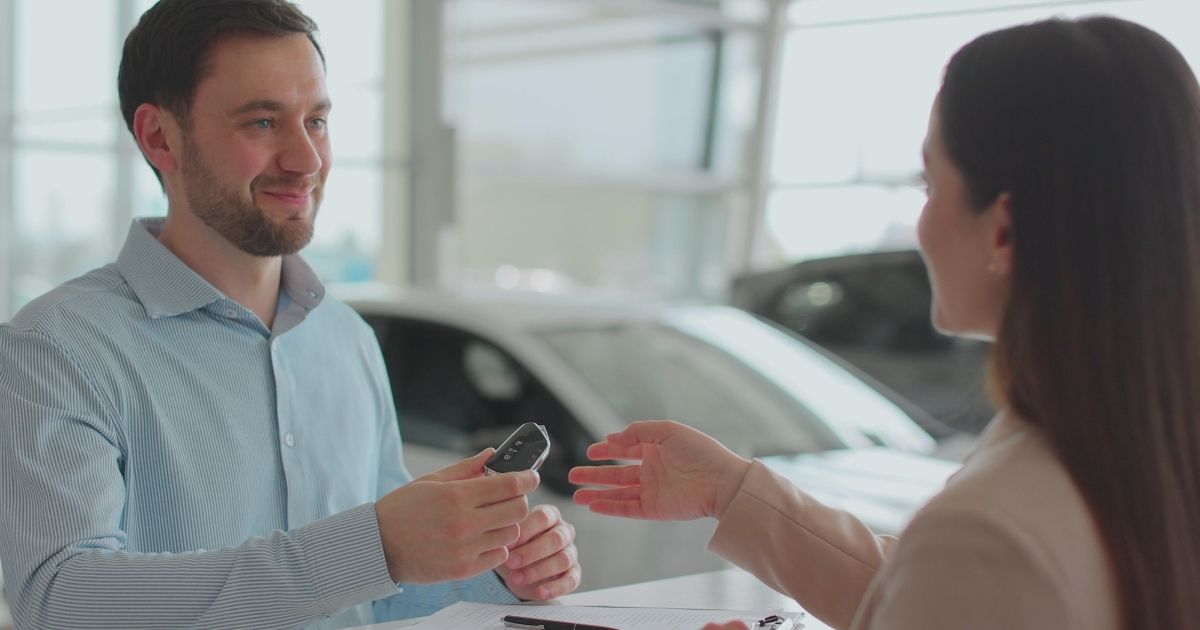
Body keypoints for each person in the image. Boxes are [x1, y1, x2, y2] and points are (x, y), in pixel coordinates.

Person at [571, 15, 1200, 630]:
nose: (921, 223)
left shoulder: (991, 528)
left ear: (1003, 230)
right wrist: (732, 490)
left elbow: (963, 580)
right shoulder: (1136, 447)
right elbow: (934, 598)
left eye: (930, 184)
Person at [0, 1, 580, 628]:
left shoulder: (349, 341)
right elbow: (61, 600)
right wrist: (369, 548)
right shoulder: (56, 347)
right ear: (159, 136)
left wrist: (496, 575)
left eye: (317, 121)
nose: (306, 160)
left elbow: (378, 595)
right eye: (262, 122)